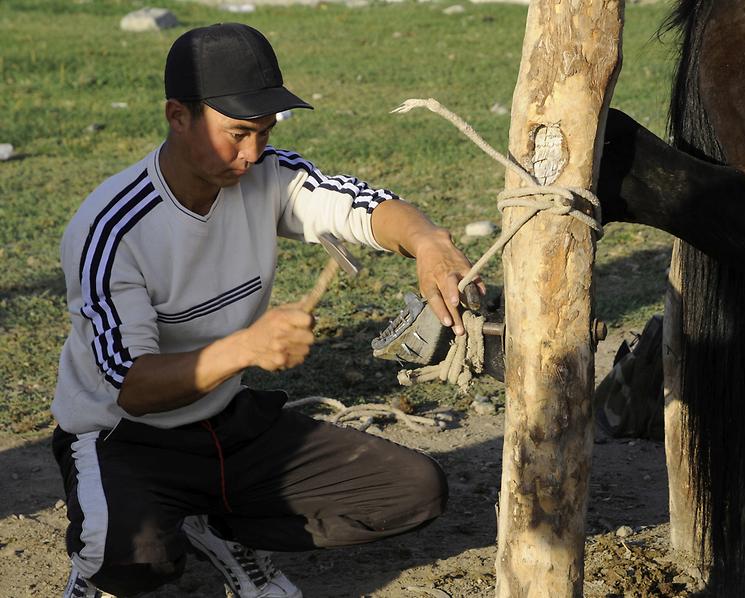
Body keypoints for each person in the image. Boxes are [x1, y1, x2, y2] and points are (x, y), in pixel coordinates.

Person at [54, 22, 483, 598]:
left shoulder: (267, 173)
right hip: (125, 437)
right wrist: (247, 348)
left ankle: (218, 524)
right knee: (133, 564)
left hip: (229, 425)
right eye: (236, 133)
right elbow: (133, 388)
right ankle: (111, 559)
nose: (253, 153)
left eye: (265, 131)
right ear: (177, 116)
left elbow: (365, 206)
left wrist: (428, 242)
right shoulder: (110, 229)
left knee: (414, 490)